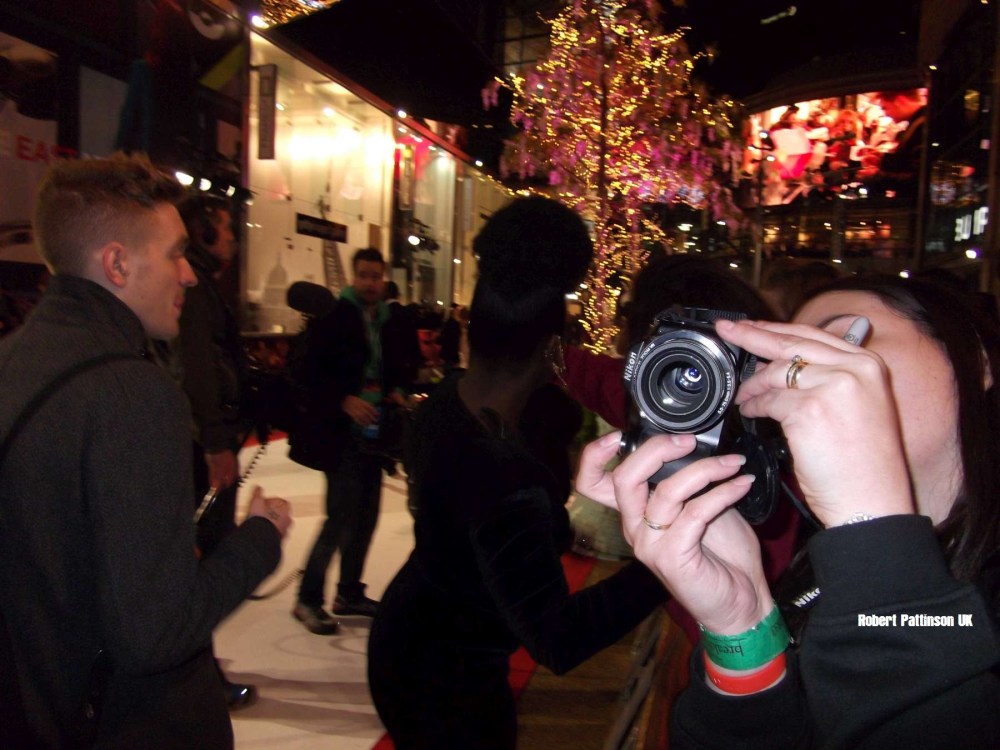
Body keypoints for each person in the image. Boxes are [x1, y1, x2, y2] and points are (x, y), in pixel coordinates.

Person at [577, 274, 1000, 747]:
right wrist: (743, 629)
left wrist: (872, 528)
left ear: (975, 358)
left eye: (844, 340)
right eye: (785, 363)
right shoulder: (815, 572)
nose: (803, 377)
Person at [0, 153, 292, 749]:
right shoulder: (132, 394)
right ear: (117, 263)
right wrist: (259, 541)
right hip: (124, 724)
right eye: (175, 254)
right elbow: (156, 632)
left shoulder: (15, 359)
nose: (189, 275)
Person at [367, 196, 668, 749]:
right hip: (449, 679)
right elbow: (559, 638)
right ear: (554, 348)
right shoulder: (503, 473)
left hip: (414, 639)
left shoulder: (445, 405)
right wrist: (667, 565)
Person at [288, 247, 406, 633]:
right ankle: (307, 599)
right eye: (364, 275)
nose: (371, 283)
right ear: (354, 277)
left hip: (375, 435)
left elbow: (396, 367)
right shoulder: (335, 316)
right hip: (341, 436)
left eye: (376, 276)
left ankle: (349, 592)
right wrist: (343, 399)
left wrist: (396, 390)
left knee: (367, 518)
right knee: (340, 518)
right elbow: (309, 373)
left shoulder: (388, 318)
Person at [174, 193, 257, 709]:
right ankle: (197, 677)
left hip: (201, 435)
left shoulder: (201, 283)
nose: (232, 238)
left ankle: (198, 672)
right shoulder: (196, 287)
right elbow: (199, 366)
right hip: (201, 441)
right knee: (202, 561)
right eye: (225, 228)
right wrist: (215, 441)